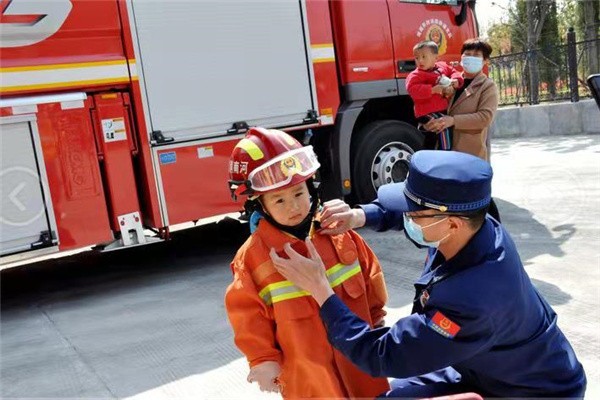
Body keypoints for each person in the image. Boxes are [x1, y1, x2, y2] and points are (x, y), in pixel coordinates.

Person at [270, 150, 587, 399]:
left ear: (451, 224)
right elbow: (418, 215)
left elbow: (383, 353)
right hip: (487, 366)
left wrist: (321, 291)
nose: (406, 218)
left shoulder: (473, 299)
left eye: (413, 213)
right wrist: (360, 215)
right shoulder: (476, 225)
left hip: (532, 392)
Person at [224, 127, 390, 398]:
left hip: (361, 364)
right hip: (308, 379)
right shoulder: (252, 259)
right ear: (259, 205)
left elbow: (370, 275)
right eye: (279, 199)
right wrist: (262, 359)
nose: (294, 207)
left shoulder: (338, 234)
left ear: (312, 187)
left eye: (299, 193)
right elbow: (247, 314)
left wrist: (377, 319)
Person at [425, 38, 501, 220]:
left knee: (476, 203)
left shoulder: (487, 86)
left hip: (471, 154)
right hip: (447, 151)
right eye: (467, 54)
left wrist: (452, 121)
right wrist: (430, 122)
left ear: (485, 62)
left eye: (476, 55)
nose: (470, 58)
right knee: (454, 205)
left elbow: (484, 117)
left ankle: (492, 236)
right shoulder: (452, 82)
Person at [406, 41, 463, 151]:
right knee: (442, 124)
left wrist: (457, 80)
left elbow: (453, 71)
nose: (420, 61)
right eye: (417, 58)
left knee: (431, 134)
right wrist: (431, 90)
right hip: (425, 112)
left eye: (424, 57)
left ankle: (429, 152)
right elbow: (412, 90)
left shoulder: (442, 67)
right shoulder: (415, 75)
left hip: (441, 109)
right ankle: (445, 151)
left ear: (435, 58)